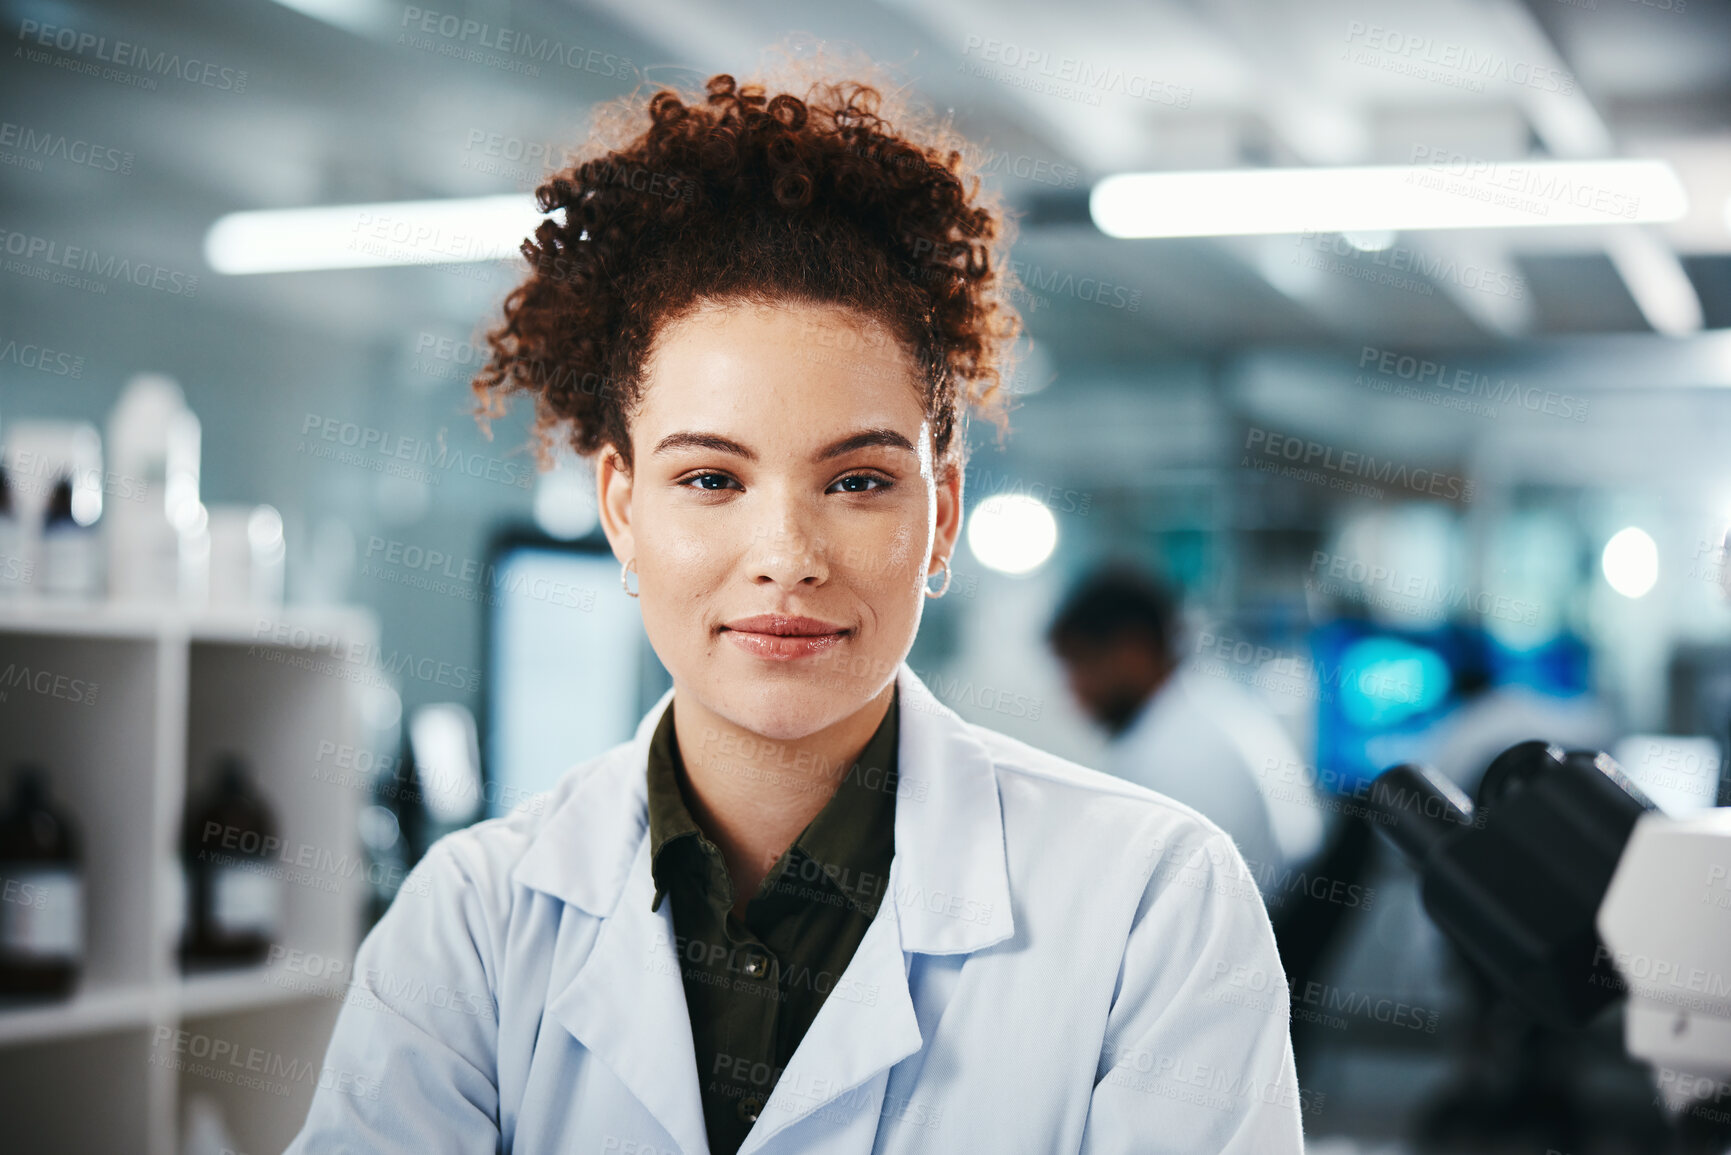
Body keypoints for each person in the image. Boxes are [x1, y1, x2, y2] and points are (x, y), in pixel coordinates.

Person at [286, 59, 1304, 1155]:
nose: (786, 558)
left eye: (858, 481)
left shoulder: (1154, 906)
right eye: (712, 480)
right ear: (622, 510)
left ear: (944, 513)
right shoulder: (472, 922)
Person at [1047, 567, 1324, 896]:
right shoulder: (1208, 709)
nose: (1075, 693)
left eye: (1081, 664)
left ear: (1134, 651)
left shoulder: (1178, 758)